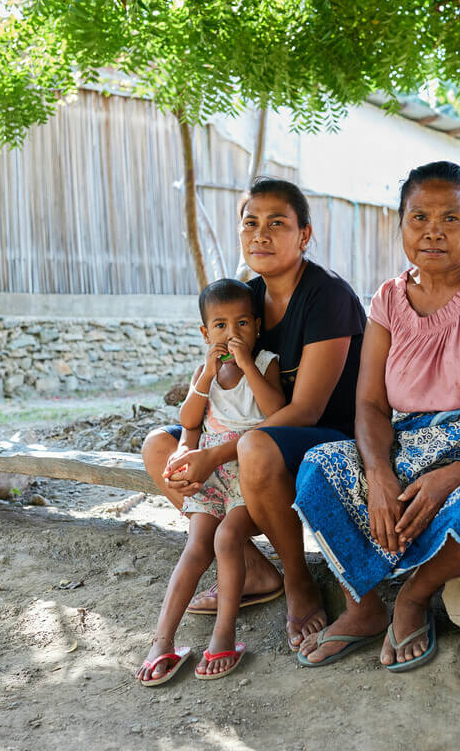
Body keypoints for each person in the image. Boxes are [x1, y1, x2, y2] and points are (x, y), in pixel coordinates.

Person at [292, 161, 460, 672]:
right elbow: (371, 404)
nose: (433, 231)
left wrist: (458, 472)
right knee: (319, 467)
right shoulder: (388, 300)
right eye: (418, 217)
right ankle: (363, 606)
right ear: (400, 224)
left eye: (451, 219)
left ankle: (414, 597)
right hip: (417, 442)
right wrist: (377, 473)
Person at [140, 177, 366, 657]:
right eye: (250, 224)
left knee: (254, 448)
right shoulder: (244, 296)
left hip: (328, 435)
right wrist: (189, 444)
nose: (260, 235)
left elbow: (303, 410)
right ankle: (254, 570)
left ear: (304, 235)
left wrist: (215, 454)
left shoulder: (327, 298)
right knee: (158, 446)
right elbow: (221, 389)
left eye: (277, 224)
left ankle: (298, 580)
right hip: (253, 430)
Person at [136, 278, 286, 684]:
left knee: (225, 539)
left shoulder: (267, 362)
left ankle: (224, 634)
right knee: (196, 544)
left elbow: (276, 411)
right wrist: (205, 375)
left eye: (241, 324)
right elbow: (188, 421)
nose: (232, 335)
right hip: (213, 476)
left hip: (249, 474)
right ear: (206, 334)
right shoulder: (206, 372)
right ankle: (162, 640)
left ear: (256, 326)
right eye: (220, 327)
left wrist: (249, 365)